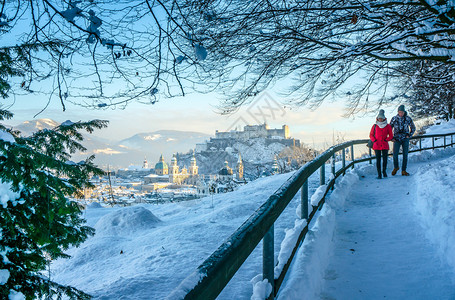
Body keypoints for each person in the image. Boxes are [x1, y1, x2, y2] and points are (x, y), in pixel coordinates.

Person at [390, 105, 416, 176]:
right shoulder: (394, 119)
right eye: (399, 112)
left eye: (402, 112)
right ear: (398, 112)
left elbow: (413, 128)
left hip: (405, 139)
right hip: (396, 139)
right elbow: (389, 129)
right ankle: (396, 167)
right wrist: (391, 138)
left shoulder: (408, 118)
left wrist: (409, 135)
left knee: (405, 155)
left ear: (404, 112)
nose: (401, 113)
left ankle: (404, 170)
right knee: (395, 154)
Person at [369, 109, 393, 179]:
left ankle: (384, 172)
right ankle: (379, 174)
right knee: (378, 160)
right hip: (377, 145)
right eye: (379, 118)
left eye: (381, 118)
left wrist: (386, 139)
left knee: (385, 160)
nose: (380, 120)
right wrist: (375, 141)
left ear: (384, 118)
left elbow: (391, 136)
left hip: (385, 145)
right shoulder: (375, 126)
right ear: (377, 118)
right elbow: (371, 135)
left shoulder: (388, 126)